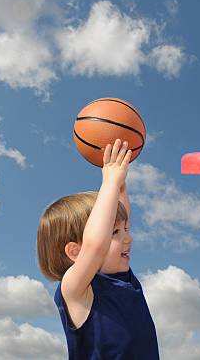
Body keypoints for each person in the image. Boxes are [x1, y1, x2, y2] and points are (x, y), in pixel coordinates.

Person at [37, 139, 160, 359]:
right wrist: (110, 182)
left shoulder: (124, 281)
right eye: (114, 233)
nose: (128, 238)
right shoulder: (76, 290)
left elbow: (120, 214)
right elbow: (96, 245)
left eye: (125, 229)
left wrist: (120, 180)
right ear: (75, 252)